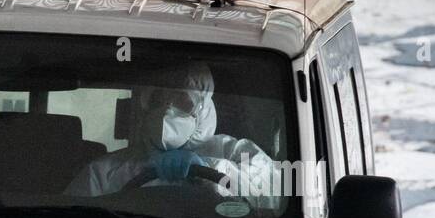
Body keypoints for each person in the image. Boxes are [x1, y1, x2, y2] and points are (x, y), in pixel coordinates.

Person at [65, 62, 281, 206]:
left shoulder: (233, 151)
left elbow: (273, 191)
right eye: (158, 99)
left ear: (203, 107)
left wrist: (208, 167)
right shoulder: (105, 172)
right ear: (145, 104)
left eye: (181, 101)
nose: (167, 109)